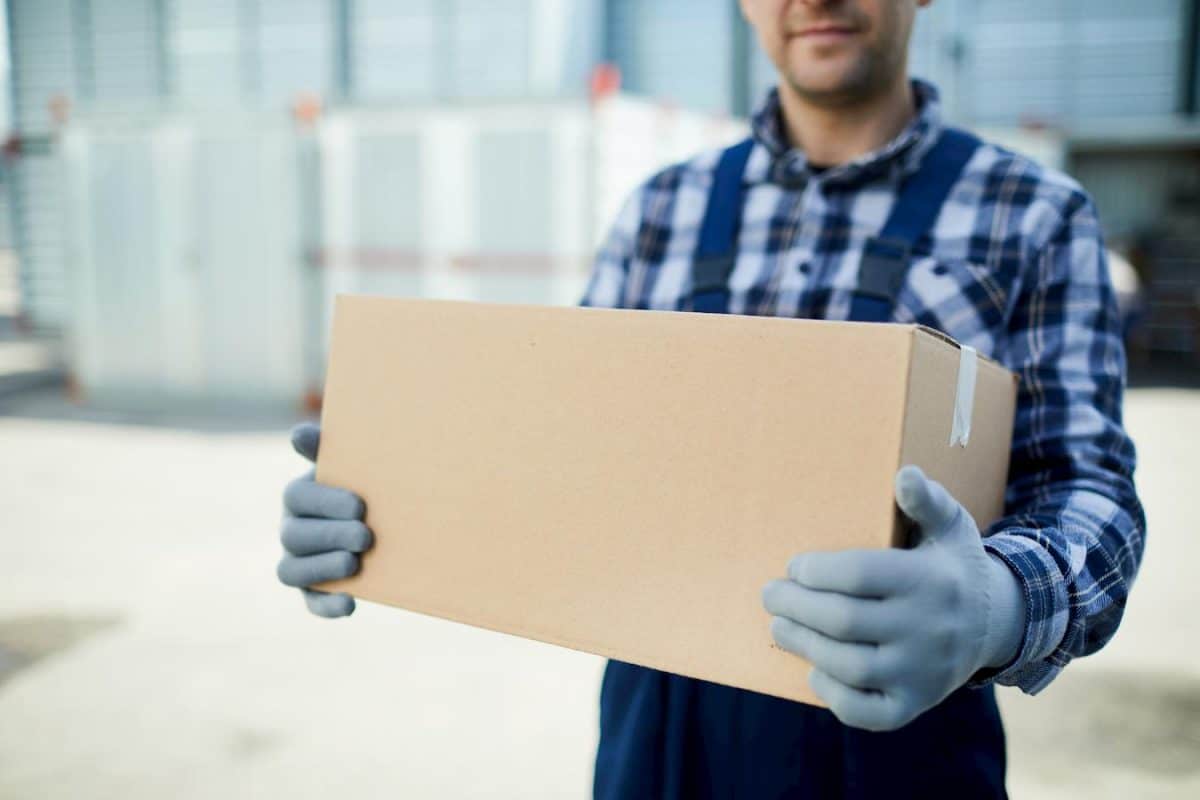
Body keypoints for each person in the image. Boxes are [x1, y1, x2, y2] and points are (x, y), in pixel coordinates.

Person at [275, 1, 1147, 797]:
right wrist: (398, 493)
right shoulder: (661, 210)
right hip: (658, 735)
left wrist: (995, 606)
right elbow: (563, 459)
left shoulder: (1032, 213)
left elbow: (1089, 486)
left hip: (899, 733)